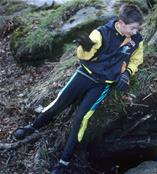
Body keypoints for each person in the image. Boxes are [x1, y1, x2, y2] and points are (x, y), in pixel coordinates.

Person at [13, 4, 144, 174]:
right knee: (58, 103)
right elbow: (83, 56)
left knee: (81, 118)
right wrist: (85, 48)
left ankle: (64, 161)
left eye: (137, 29)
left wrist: (127, 73)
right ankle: (33, 126)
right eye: (132, 28)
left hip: (102, 84)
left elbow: (136, 59)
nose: (135, 32)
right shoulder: (101, 33)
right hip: (84, 75)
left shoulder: (137, 40)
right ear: (121, 23)